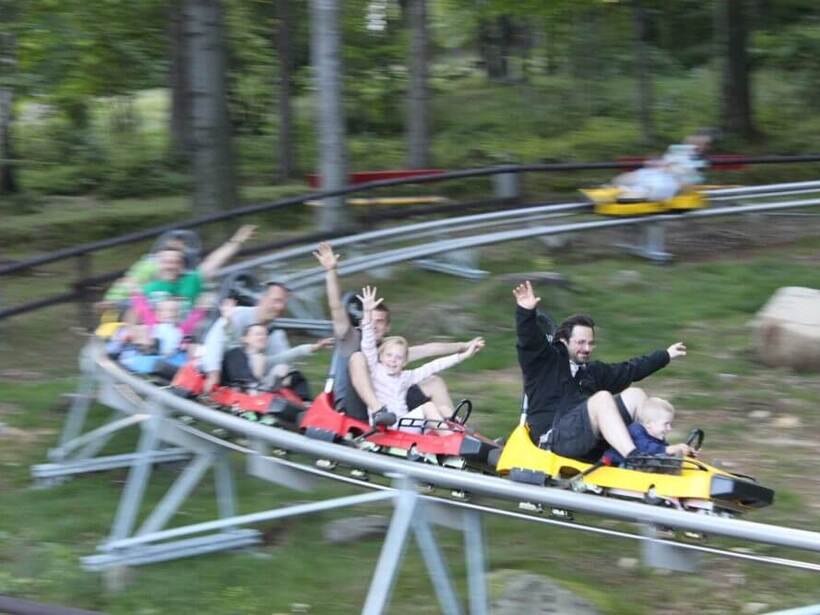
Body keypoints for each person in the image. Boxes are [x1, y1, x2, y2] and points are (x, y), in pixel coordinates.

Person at [512, 280, 688, 462]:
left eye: (590, 343)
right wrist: (525, 312)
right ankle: (636, 460)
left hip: (586, 441)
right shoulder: (544, 362)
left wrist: (666, 355)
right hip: (553, 438)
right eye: (581, 342)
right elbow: (529, 340)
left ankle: (656, 451)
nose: (587, 348)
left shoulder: (592, 372)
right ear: (564, 341)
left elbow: (630, 369)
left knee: (635, 395)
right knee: (602, 399)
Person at [314, 241, 483, 419]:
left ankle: (454, 430)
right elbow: (335, 307)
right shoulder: (350, 337)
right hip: (356, 408)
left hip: (391, 406)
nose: (374, 325)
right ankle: (378, 411)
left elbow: (429, 349)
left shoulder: (391, 352)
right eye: (371, 319)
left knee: (434, 381)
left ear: (387, 327)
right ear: (364, 319)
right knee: (357, 357)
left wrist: (465, 345)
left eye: (380, 322)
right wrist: (331, 271)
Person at [359, 286, 483, 429]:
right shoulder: (373, 364)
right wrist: (367, 314)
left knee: (443, 408)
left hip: (404, 417)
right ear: (381, 356)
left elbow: (432, 359)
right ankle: (452, 441)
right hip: (389, 421)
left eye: (379, 321)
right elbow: (367, 342)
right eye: (389, 356)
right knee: (429, 407)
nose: (393, 359)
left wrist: (464, 350)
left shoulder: (403, 369)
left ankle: (468, 436)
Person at [200, 282, 333, 394]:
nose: (280, 307)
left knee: (293, 374)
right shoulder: (237, 315)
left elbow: (284, 358)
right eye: (276, 301)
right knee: (236, 353)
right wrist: (213, 374)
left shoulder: (276, 334)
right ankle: (250, 388)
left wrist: (314, 347)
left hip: (257, 381)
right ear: (263, 299)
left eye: (283, 303)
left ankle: (304, 407)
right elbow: (216, 341)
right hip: (224, 374)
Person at [102, 224, 257, 308]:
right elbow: (125, 292)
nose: (170, 266)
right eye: (166, 262)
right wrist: (112, 302)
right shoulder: (147, 287)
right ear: (158, 264)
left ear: (181, 264)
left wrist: (237, 241)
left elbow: (214, 260)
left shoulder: (193, 280)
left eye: (174, 262)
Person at [611, 131, 713, 202]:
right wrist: (656, 163)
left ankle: (628, 194)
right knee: (621, 179)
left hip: (669, 181)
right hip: (656, 174)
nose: (701, 147)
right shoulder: (677, 154)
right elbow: (663, 163)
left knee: (653, 188)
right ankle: (618, 192)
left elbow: (689, 179)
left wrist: (669, 169)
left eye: (701, 145)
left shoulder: (700, 162)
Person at [602, 397, 696, 466]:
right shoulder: (636, 431)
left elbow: (663, 450)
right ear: (648, 424)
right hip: (613, 464)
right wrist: (671, 449)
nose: (669, 428)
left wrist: (684, 452)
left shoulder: (656, 436)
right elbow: (647, 448)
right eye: (666, 424)